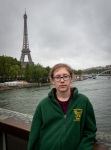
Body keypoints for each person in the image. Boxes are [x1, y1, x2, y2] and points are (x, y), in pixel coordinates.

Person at [28, 63, 97, 150]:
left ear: (71, 78)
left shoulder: (83, 101)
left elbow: (90, 131)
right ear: (52, 80)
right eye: (57, 77)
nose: (62, 80)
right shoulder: (43, 105)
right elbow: (34, 134)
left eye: (65, 76)